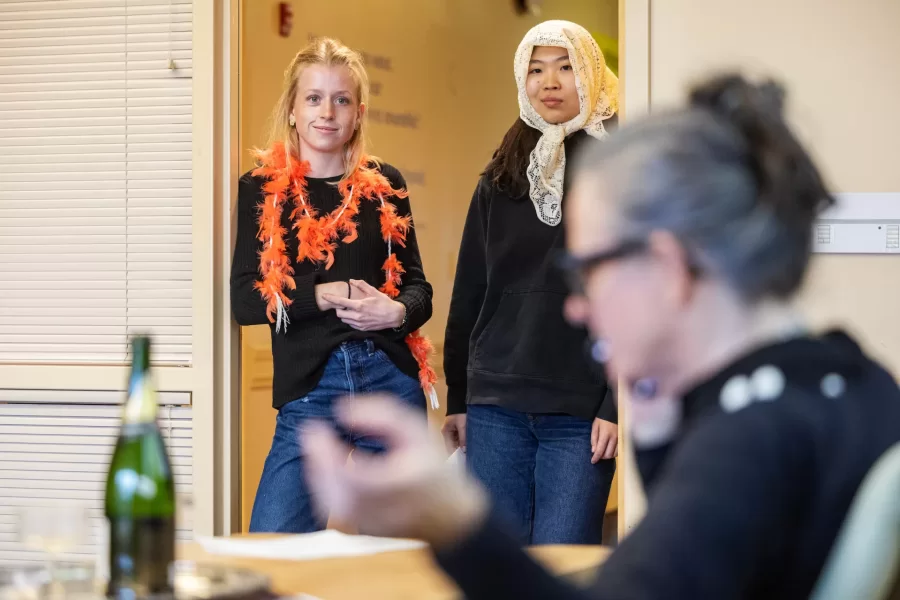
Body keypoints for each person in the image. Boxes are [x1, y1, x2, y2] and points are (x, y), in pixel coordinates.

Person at [300, 73, 900, 599]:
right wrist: (660, 427)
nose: (579, 308)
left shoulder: (749, 441)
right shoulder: (849, 383)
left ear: (666, 268)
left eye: (587, 271)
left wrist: (452, 521)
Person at [230, 37, 436, 534]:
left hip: (388, 377)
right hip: (309, 387)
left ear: (358, 112)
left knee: (398, 553)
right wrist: (322, 293)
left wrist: (397, 313)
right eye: (314, 98)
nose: (328, 111)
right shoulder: (261, 188)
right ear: (293, 109)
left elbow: (419, 288)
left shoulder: (384, 185)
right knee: (273, 545)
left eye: (342, 99)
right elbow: (244, 298)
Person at [442, 19, 619, 546]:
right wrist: (459, 395)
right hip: (496, 404)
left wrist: (617, 403)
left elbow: (633, 296)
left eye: (566, 67)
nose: (551, 81)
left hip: (580, 410)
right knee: (497, 568)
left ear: (590, 75)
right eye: (537, 69)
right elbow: (470, 290)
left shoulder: (620, 172)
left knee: (563, 561)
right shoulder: (499, 176)